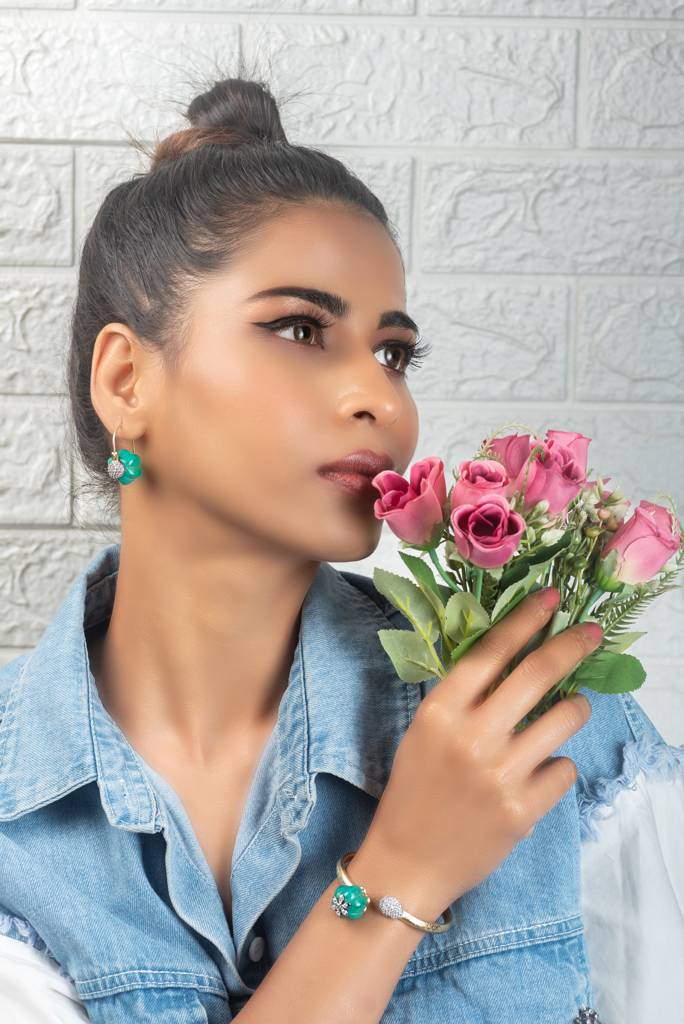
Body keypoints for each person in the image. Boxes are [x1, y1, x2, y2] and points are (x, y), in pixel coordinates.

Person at [1, 67, 683, 1024]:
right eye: (300, 327)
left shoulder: (551, 744)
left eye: (394, 350)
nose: (382, 397)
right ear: (126, 381)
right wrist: (402, 872)